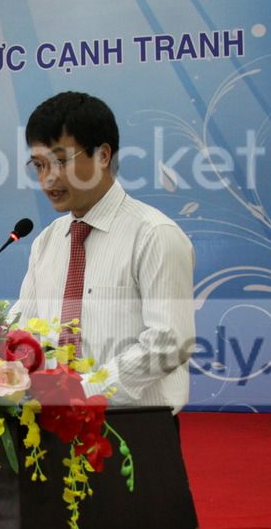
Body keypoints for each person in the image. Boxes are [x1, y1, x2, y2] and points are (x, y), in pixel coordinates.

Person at [11, 91, 195, 413]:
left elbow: (169, 342)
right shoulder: (46, 242)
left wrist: (85, 390)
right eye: (39, 165)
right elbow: (23, 331)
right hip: (52, 423)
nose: (48, 178)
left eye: (60, 161)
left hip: (135, 428)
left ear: (103, 155)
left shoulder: (153, 235)